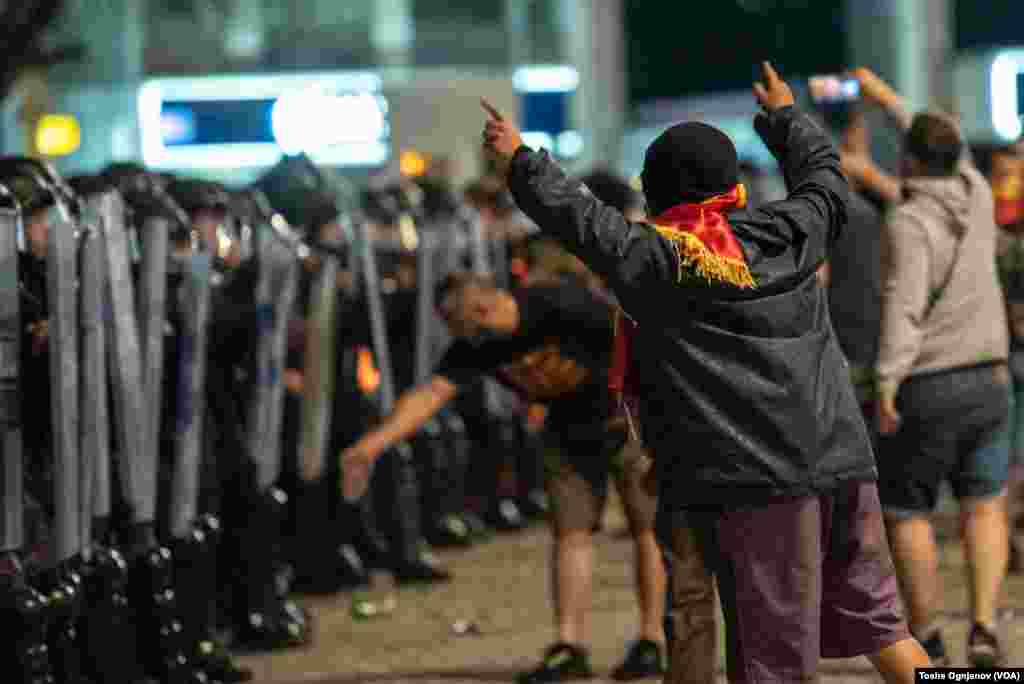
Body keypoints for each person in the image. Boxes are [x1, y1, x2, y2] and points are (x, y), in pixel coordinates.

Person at [477, 61, 931, 683]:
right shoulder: (798, 229)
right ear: (734, 187)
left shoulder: (657, 256)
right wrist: (784, 116)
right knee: (884, 629)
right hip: (845, 464)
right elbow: (826, 179)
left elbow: (578, 219)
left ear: (658, 190)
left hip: (761, 484)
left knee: (774, 664)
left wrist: (518, 158)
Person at [343, 272, 680, 682]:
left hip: (628, 419)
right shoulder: (481, 342)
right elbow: (431, 393)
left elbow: (638, 340)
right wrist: (370, 447)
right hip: (568, 429)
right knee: (570, 533)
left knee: (647, 528)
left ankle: (652, 641)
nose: (457, 337)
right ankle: (569, 646)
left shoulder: (560, 304)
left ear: (483, 309)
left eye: (458, 325)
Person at [849, 68, 1012, 669]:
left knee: (909, 510)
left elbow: (904, 311)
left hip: (929, 385)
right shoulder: (977, 195)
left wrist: (887, 385)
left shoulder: (909, 221)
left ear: (913, 161)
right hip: (992, 380)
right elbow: (948, 140)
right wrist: (887, 96)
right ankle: (986, 625)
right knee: (985, 502)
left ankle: (931, 639)